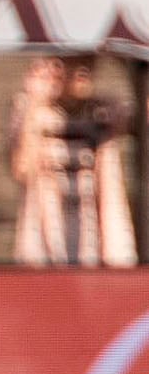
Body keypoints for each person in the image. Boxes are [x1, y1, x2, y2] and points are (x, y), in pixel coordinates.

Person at [9, 54, 137, 267]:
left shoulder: (105, 111)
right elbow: (22, 169)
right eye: (72, 60)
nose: (82, 69)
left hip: (99, 251)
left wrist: (126, 57)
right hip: (44, 252)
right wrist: (35, 102)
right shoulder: (32, 110)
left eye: (89, 61)